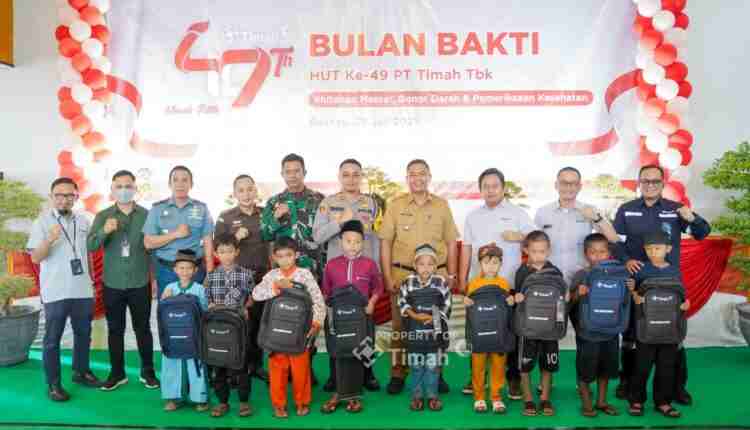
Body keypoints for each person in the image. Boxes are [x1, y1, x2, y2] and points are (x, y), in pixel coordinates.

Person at [612, 164, 711, 404]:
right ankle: (628, 383)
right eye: (645, 181)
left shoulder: (675, 209)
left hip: (669, 283)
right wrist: (626, 260)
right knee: (632, 336)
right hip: (637, 282)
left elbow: (702, 233)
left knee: (672, 336)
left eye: (655, 181)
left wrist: (693, 218)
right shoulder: (626, 210)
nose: (650, 185)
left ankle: (677, 388)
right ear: (639, 183)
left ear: (662, 183)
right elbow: (615, 242)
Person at [379, 159, 459, 395]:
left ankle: (437, 374)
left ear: (429, 177)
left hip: (437, 277)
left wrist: (451, 274)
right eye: (412, 174)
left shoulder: (442, 205)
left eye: (422, 173)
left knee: (437, 326)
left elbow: (451, 242)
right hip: (403, 276)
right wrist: (387, 276)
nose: (417, 178)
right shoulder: (395, 205)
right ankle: (398, 373)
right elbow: (386, 243)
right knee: (400, 328)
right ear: (407, 179)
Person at [459, 167, 534, 397]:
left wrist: (519, 237)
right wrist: (462, 278)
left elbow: (536, 240)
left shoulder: (518, 213)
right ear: (480, 189)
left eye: (495, 186)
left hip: (507, 285)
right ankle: (477, 378)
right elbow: (466, 248)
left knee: (509, 332)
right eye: (486, 186)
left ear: (503, 188)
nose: (490, 190)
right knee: (479, 330)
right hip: (479, 286)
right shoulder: (472, 216)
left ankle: (512, 378)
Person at [28, 177, 103, 401]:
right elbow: (35, 257)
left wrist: (91, 282)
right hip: (55, 291)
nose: (64, 199)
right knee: (52, 339)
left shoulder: (83, 220)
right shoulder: (41, 222)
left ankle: (81, 372)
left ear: (76, 197)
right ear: (51, 197)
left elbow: (87, 254)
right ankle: (53, 384)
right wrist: (49, 240)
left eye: (69, 195)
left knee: (83, 334)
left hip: (82, 289)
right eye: (59, 195)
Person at [87, 170, 159, 391]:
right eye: (119, 186)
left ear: (135, 188)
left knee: (143, 328)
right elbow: (91, 245)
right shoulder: (103, 216)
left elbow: (154, 249)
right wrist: (104, 231)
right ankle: (117, 373)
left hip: (140, 282)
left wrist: (155, 279)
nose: (124, 190)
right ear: (112, 189)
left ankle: (148, 372)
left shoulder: (147, 215)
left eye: (128, 186)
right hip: (113, 283)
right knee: (115, 330)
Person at [261, 153, 325, 386]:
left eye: (297, 170)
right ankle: (284, 369)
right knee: (284, 317)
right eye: (288, 171)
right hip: (283, 274)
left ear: (304, 172)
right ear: (282, 174)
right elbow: (265, 233)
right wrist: (276, 218)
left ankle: (305, 366)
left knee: (308, 318)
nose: (293, 175)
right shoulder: (274, 202)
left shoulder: (319, 200)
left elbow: (326, 235)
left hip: (310, 270)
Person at [252, 237, 326, 418]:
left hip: (300, 332)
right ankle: (279, 405)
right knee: (277, 371)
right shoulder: (271, 276)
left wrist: (316, 323)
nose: (285, 260)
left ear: (296, 255)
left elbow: (318, 301)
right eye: (280, 256)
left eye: (289, 255)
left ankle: (302, 402)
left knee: (301, 370)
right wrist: (276, 287)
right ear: (274, 257)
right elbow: (256, 294)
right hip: (276, 332)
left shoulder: (305, 275)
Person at [320, 220, 384, 413]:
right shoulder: (331, 265)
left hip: (363, 314)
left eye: (357, 241)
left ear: (363, 242)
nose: (353, 245)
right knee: (337, 346)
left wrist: (372, 302)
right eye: (348, 241)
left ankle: (367, 376)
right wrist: (328, 310)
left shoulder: (370, 264)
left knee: (365, 345)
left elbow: (378, 287)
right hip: (339, 316)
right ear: (341, 242)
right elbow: (326, 291)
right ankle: (335, 378)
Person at [626, 231, 690, 418]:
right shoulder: (640, 270)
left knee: (666, 367)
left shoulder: (675, 271)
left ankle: (663, 402)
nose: (653, 252)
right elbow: (634, 294)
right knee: (641, 367)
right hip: (646, 328)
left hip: (669, 328)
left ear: (668, 249)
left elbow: (681, 296)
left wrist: (686, 304)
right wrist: (634, 295)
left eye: (657, 248)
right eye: (649, 249)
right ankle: (636, 400)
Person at [214, 174, 270, 382]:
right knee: (237, 324)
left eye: (250, 189)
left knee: (259, 324)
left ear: (255, 191)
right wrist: (235, 237)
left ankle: (256, 366)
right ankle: (237, 368)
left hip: (262, 278)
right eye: (241, 190)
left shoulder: (266, 214)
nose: (246, 194)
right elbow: (217, 248)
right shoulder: (226, 217)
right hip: (235, 279)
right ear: (234, 193)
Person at [513, 230, 567, 417]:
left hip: (549, 329)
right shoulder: (522, 271)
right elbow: (518, 297)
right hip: (527, 329)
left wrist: (566, 296)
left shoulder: (555, 271)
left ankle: (545, 398)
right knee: (525, 365)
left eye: (542, 251)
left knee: (548, 365)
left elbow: (562, 298)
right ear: (526, 250)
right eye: (534, 251)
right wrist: (517, 297)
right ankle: (528, 400)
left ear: (548, 251)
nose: (538, 255)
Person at [568, 233, 622, 417]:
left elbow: (623, 302)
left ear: (609, 253)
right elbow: (569, 302)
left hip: (610, 331)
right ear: (586, 254)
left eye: (602, 252)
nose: (598, 256)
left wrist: (630, 288)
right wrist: (578, 293)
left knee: (605, 369)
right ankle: (586, 404)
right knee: (585, 370)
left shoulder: (616, 274)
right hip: (588, 333)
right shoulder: (582, 275)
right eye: (593, 252)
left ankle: (601, 402)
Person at [535, 167, 619, 283]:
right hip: (550, 277)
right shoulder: (543, 212)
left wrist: (596, 218)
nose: (568, 187)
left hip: (582, 279)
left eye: (573, 183)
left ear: (579, 186)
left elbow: (614, 239)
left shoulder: (590, 209)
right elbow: (533, 244)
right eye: (564, 183)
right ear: (556, 185)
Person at [143, 165, 215, 298]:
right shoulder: (157, 209)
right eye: (175, 180)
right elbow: (148, 243)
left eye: (184, 180)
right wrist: (175, 234)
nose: (180, 184)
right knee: (168, 309)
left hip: (194, 271)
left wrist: (210, 273)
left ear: (191, 184)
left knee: (196, 308)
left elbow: (208, 242)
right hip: (167, 271)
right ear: (169, 184)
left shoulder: (202, 208)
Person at [204, 234, 255, 418]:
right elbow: (206, 299)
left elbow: (252, 297)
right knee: (218, 366)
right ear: (216, 254)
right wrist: (211, 305)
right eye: (222, 252)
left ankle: (244, 401)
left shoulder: (246, 274)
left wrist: (246, 306)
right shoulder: (210, 276)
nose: (226, 255)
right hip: (217, 327)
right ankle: (222, 402)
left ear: (237, 252)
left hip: (238, 327)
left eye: (230, 251)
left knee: (240, 365)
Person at [398, 244, 452, 412]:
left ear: (435, 266)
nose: (426, 268)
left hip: (434, 333)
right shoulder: (407, 282)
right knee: (415, 366)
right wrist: (414, 315)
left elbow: (447, 304)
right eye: (421, 264)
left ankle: (432, 396)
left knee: (432, 366)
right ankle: (417, 396)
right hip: (414, 331)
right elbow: (401, 302)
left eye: (430, 264)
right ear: (415, 265)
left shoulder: (441, 282)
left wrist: (433, 317)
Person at [463, 244, 514, 414]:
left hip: (499, 333)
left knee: (499, 365)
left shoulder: (504, 284)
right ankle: (479, 397)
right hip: (479, 334)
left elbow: (508, 308)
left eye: (495, 263)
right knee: (478, 366)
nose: (491, 266)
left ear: (501, 264)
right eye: (486, 262)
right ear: (480, 264)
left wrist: (511, 301)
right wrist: (466, 302)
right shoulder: (473, 284)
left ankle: (496, 397)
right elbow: (469, 308)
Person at [160, 249, 209, 412]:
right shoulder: (169, 288)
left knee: (196, 365)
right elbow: (162, 311)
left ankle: (199, 398)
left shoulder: (199, 289)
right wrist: (164, 298)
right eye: (181, 268)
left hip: (193, 336)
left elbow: (205, 310)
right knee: (170, 363)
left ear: (195, 270)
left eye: (189, 268)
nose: (185, 271)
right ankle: (172, 398)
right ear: (175, 269)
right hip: (172, 335)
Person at [313, 158, 381, 264]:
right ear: (339, 177)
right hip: (337, 269)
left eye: (356, 175)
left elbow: (376, 240)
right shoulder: (327, 203)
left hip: (365, 269)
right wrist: (338, 222)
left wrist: (377, 270)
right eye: (346, 175)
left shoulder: (372, 204)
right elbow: (318, 237)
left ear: (361, 177)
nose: (351, 179)